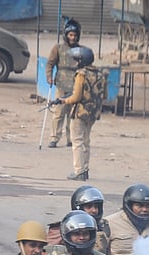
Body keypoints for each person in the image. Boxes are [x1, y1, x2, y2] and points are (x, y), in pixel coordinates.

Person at [51, 46, 101, 181]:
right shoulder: (99, 73)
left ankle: (79, 171)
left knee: (77, 141)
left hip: (80, 112)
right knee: (86, 141)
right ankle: (85, 170)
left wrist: (63, 100)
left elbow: (76, 97)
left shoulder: (81, 75)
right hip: (93, 112)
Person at [45, 18, 81, 149]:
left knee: (73, 114)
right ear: (66, 35)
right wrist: (49, 77)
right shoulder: (58, 48)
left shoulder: (80, 50)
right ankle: (54, 138)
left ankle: (70, 139)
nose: (73, 37)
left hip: (76, 86)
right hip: (61, 84)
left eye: (75, 35)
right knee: (59, 113)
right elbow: (50, 63)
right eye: (70, 35)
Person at [71, 185, 108, 253]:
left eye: (96, 207)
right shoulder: (67, 227)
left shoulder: (104, 227)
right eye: (88, 207)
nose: (94, 210)